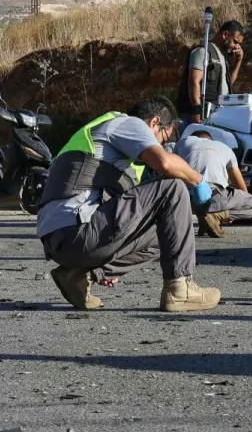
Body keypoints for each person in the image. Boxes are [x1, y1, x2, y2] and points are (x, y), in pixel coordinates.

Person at [36, 97, 221, 312]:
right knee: (174, 188)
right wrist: (198, 180)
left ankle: (79, 276)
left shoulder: (107, 148)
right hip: (78, 230)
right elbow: (166, 164)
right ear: (154, 122)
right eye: (163, 139)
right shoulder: (126, 124)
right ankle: (180, 288)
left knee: (169, 231)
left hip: (59, 242)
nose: (161, 146)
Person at [173, 130, 252, 237]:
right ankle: (216, 215)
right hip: (213, 196)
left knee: (194, 190)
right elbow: (241, 188)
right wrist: (229, 213)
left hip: (186, 199)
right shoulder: (225, 148)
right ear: (210, 139)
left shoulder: (183, 142)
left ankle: (206, 220)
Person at [178, 20, 245, 124]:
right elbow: (193, 81)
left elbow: (229, 83)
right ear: (225, 34)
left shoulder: (222, 56)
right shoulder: (203, 51)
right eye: (235, 42)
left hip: (215, 114)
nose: (236, 46)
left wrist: (238, 61)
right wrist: (196, 111)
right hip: (198, 114)